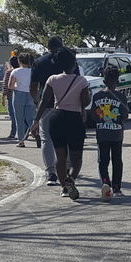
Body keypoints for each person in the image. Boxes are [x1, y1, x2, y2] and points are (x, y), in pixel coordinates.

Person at [29, 47, 90, 200]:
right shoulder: (81, 81)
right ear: (74, 64)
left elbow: (44, 101)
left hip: (57, 118)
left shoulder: (52, 79)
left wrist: (36, 121)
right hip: (74, 118)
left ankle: (64, 187)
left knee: (60, 156)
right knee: (76, 158)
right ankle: (71, 179)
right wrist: (87, 94)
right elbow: (85, 102)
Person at [30, 37, 79, 185]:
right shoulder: (69, 60)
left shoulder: (39, 62)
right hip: (68, 106)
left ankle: (51, 172)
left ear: (47, 46)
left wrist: (37, 102)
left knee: (47, 140)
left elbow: (33, 86)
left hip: (47, 105)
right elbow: (76, 80)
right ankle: (68, 169)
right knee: (68, 138)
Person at [90, 66, 129, 199]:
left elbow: (94, 115)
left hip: (102, 133)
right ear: (117, 80)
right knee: (117, 160)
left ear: (104, 81)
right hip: (117, 133)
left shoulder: (97, 96)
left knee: (103, 160)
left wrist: (102, 118)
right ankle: (117, 187)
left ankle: (105, 183)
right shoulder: (121, 96)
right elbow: (124, 116)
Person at [8, 52, 35, 146]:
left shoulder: (15, 71)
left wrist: (16, 85)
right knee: (30, 118)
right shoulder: (33, 71)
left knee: (19, 118)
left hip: (19, 94)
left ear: (19, 61)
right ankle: (35, 132)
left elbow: (10, 86)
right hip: (31, 94)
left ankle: (21, 140)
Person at [2, 55, 20, 139]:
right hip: (20, 93)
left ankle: (13, 133)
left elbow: (5, 85)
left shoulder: (9, 72)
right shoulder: (22, 71)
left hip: (10, 95)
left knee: (12, 115)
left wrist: (3, 96)